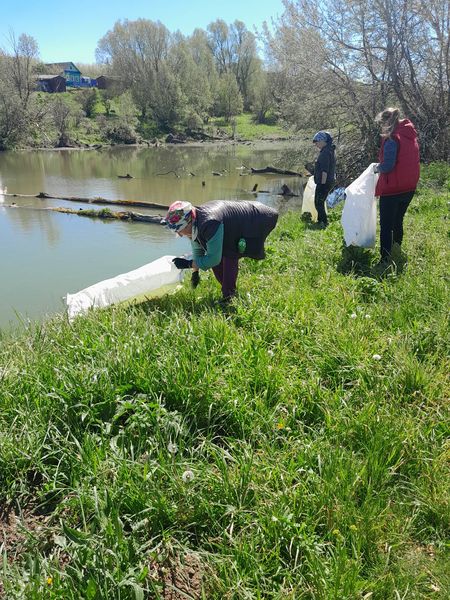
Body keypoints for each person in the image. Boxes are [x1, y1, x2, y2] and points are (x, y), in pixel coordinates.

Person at [165, 200, 278, 302]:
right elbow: (197, 247)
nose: (180, 234)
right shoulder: (195, 222)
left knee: (229, 253)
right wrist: (195, 272)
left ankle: (229, 297)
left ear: (189, 222)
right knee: (219, 252)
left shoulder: (209, 223)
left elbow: (213, 259)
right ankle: (229, 293)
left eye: (180, 229)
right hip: (242, 220)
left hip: (260, 218)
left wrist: (188, 264)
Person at [374, 107, 420, 262]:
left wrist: (376, 168)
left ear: (386, 122)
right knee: (398, 220)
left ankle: (385, 258)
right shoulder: (410, 135)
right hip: (409, 187)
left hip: (392, 189)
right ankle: (396, 248)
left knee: (386, 225)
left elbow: (388, 166)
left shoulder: (392, 139)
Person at [312, 131, 336, 227]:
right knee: (320, 202)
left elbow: (324, 171)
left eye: (317, 142)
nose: (316, 144)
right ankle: (321, 221)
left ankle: (323, 222)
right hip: (328, 181)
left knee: (318, 202)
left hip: (324, 182)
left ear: (323, 141)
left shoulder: (325, 153)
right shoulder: (329, 150)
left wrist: (322, 184)